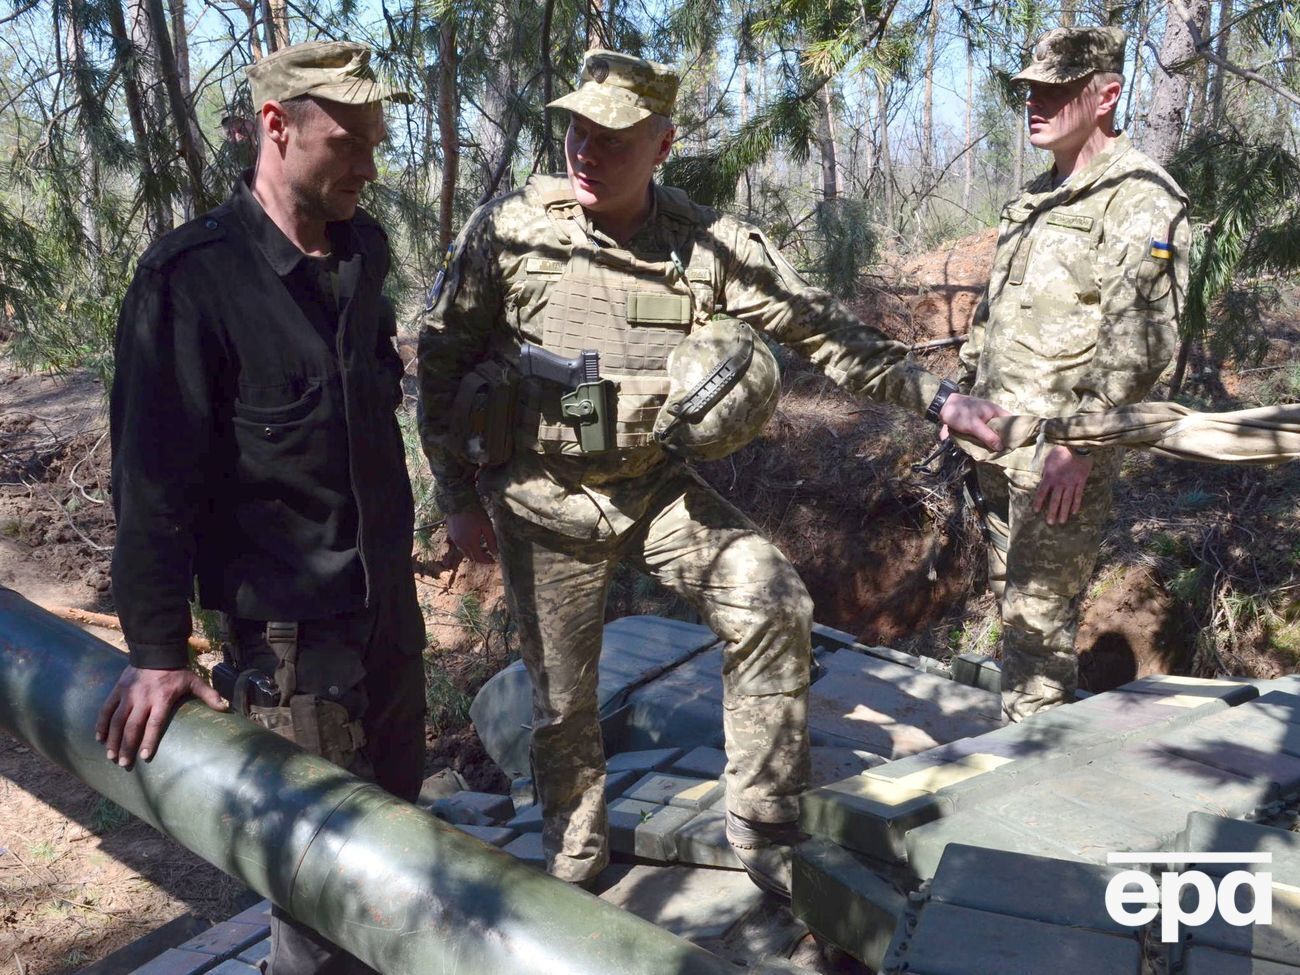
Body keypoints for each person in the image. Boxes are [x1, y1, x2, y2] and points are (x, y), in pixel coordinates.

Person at [417, 49, 1007, 898]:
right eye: (578, 128)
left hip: (655, 490)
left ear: (662, 146)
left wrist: (938, 397)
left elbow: (827, 334)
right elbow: (442, 356)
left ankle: (763, 829)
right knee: (562, 705)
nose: (586, 148)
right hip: (543, 497)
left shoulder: (707, 246)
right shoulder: (514, 230)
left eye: (614, 137)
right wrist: (454, 495)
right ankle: (574, 862)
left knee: (772, 598)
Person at [97, 40, 426, 974]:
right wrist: (158, 651)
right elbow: (151, 485)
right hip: (290, 647)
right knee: (321, 906)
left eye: (377, 139)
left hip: (389, 625)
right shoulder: (190, 284)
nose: (368, 163)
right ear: (275, 128)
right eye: (347, 140)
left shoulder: (365, 253)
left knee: (399, 867)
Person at [954, 26, 1190, 721]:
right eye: (1031, 91)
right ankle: (1015, 751)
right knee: (1016, 620)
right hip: (998, 446)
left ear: (1106, 95)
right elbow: (996, 313)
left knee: (1035, 634)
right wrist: (967, 396)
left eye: (1057, 91)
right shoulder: (1035, 195)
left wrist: (1080, 445)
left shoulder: (1141, 198)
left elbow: (1140, 342)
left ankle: (1020, 790)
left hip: (1060, 459)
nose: (1036, 104)